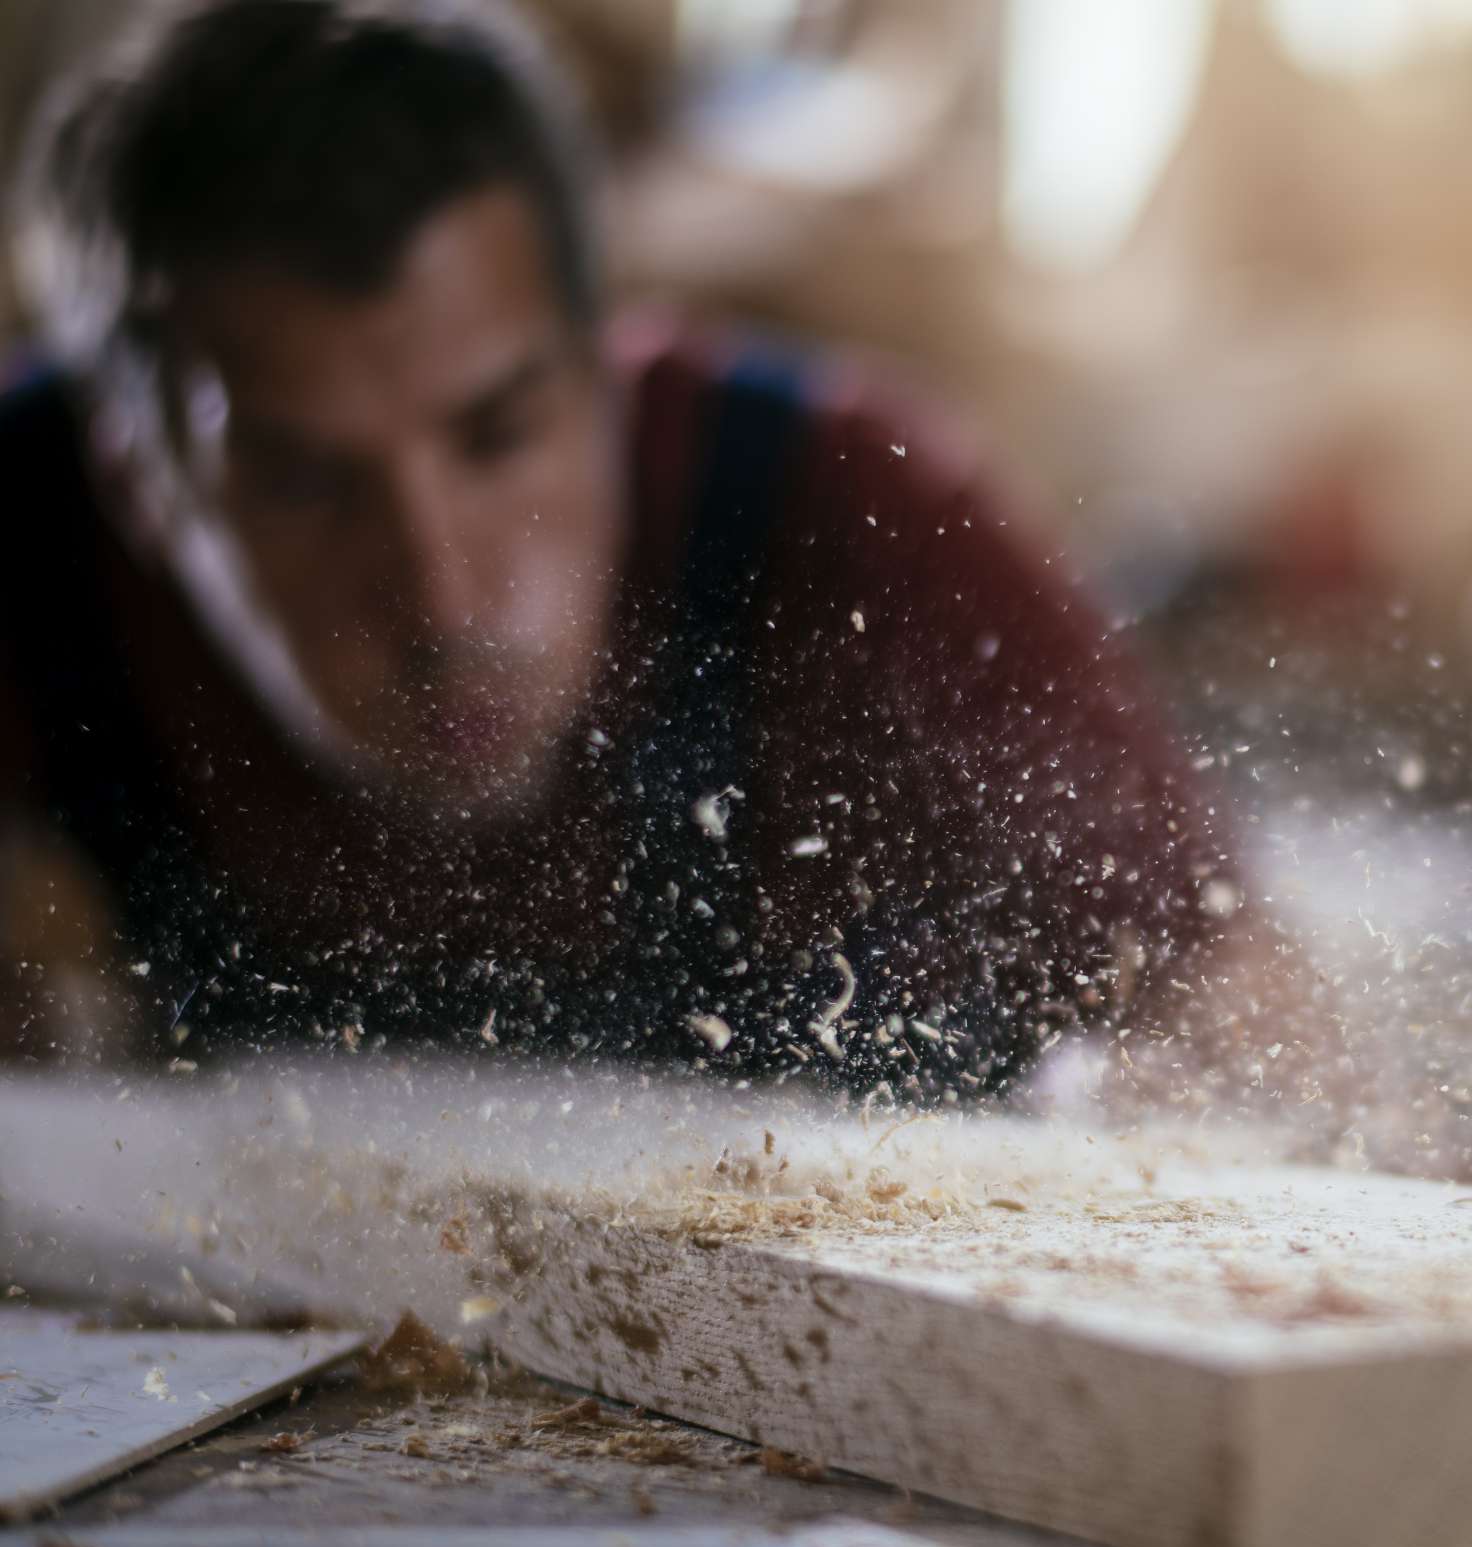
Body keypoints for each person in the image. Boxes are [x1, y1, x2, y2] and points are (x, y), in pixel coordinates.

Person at [0, 0, 1244, 1099]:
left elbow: (1238, 996)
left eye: (498, 436)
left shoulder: (851, 514)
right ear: (136, 479)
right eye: (305, 485)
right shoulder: (28, 536)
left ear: (610, 364)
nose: (442, 596)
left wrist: (1170, 1101)